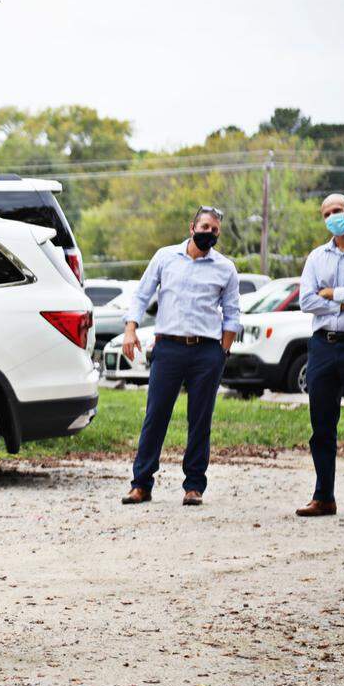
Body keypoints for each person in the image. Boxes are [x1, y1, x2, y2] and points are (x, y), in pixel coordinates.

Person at [120, 206, 240, 507]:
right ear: (192, 227)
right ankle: (141, 484)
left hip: (206, 351)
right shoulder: (165, 257)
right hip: (169, 348)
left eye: (214, 230)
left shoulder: (225, 268)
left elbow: (232, 313)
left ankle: (194, 486)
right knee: (155, 415)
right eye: (204, 227)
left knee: (200, 420)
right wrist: (130, 330)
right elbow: (142, 294)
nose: (208, 233)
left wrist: (222, 352)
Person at [296, 194, 344, 521]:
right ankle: (323, 497)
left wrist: (331, 293)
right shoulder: (317, 257)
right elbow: (305, 300)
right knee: (322, 426)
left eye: (337, 210)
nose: (333, 217)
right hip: (323, 346)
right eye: (327, 213)